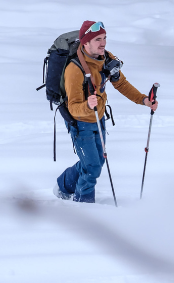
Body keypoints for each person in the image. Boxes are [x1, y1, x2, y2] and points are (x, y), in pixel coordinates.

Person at [54, 20, 158, 203]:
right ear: (85, 43)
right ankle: (84, 205)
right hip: (81, 123)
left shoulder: (106, 58)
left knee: (97, 163)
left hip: (99, 118)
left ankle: (63, 186)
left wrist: (144, 100)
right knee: (92, 167)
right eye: (97, 39)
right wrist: (88, 105)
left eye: (104, 38)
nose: (103, 43)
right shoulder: (75, 69)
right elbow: (73, 107)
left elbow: (122, 84)